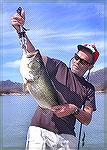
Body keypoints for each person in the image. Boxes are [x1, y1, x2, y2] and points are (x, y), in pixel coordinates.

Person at [11, 9, 99, 150]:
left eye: (83, 61)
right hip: (39, 131)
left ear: (90, 66)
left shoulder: (89, 89)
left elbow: (87, 119)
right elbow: (34, 55)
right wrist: (20, 31)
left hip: (67, 138)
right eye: (76, 57)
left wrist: (73, 110)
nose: (77, 61)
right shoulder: (59, 66)